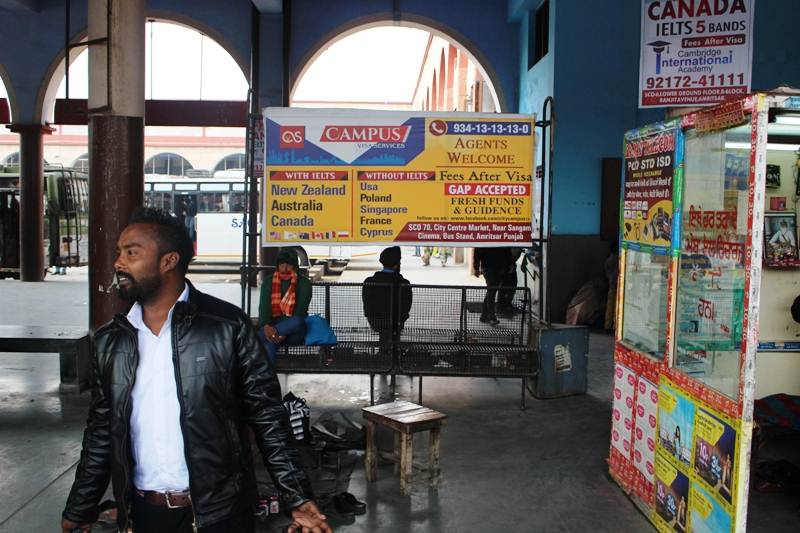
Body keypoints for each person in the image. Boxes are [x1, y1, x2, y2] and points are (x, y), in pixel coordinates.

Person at [61, 208, 330, 533]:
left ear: (168, 261)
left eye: (131, 253)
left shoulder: (227, 327)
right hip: (143, 514)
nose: (119, 263)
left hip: (220, 515)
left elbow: (267, 417)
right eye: (119, 253)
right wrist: (81, 507)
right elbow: (102, 430)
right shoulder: (111, 341)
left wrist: (297, 498)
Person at [258, 248, 312, 363]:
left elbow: (299, 313)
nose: (285, 268)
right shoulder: (268, 282)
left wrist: (280, 332)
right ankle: (268, 379)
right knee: (269, 345)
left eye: (289, 265)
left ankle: (256, 339)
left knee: (297, 321)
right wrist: (267, 326)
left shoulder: (304, 283)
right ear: (277, 266)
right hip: (271, 332)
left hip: (294, 333)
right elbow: (264, 309)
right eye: (282, 265)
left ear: (295, 267)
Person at [362, 246, 413, 347]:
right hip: (396, 321)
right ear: (396, 265)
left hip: (375, 321)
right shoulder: (404, 283)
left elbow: (366, 302)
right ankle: (392, 354)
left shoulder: (369, 282)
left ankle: (384, 352)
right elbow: (407, 305)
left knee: (385, 331)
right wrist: (402, 317)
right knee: (393, 332)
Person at [473, 247, 516, 326]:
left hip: (499, 266)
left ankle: (484, 316)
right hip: (489, 266)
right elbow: (478, 250)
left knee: (492, 290)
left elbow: (507, 249)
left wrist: (510, 264)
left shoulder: (501, 236)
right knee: (492, 290)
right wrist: (476, 267)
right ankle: (491, 317)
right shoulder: (485, 236)